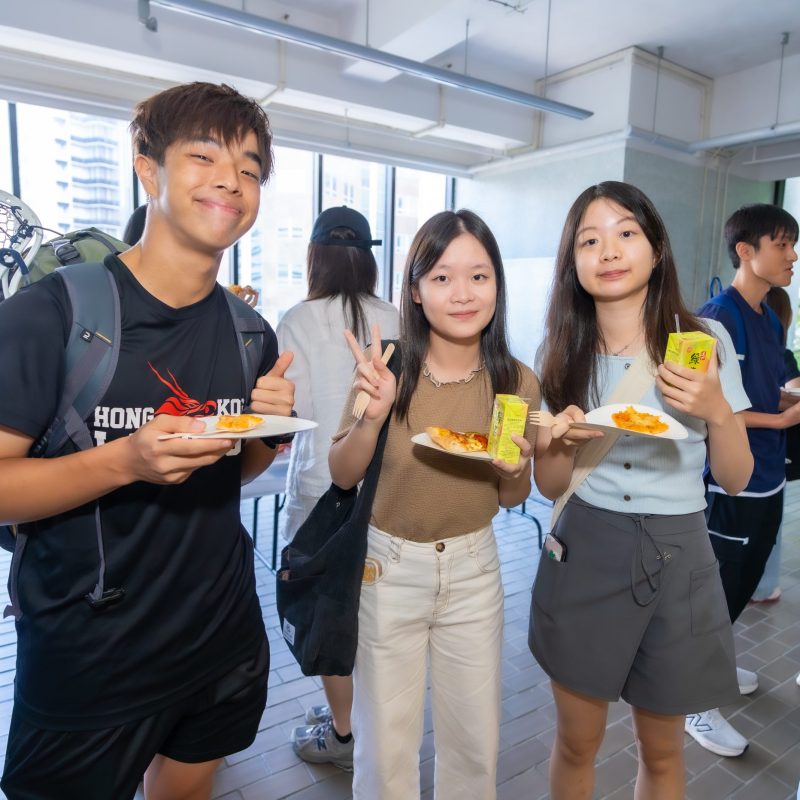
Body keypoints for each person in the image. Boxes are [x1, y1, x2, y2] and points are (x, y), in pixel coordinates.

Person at [0, 82, 295, 800]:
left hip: (220, 635)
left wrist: (269, 429)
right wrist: (123, 460)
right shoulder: (54, 313)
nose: (231, 180)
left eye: (250, 169)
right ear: (147, 169)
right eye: (204, 155)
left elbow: (239, 467)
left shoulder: (250, 332)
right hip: (90, 653)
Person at [530, 181, 753, 799]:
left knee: (661, 751)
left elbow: (735, 478)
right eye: (590, 239)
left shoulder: (701, 342)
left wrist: (715, 409)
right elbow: (551, 485)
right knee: (577, 743)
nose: (609, 250)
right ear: (573, 263)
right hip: (584, 546)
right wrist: (559, 445)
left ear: (656, 247)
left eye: (627, 232)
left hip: (677, 552)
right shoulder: (563, 350)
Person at [329, 209, 540, 800]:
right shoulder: (385, 366)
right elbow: (342, 474)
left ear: (498, 284)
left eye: (479, 275)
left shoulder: (514, 381)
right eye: (443, 277)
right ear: (416, 291)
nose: (463, 293)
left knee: (474, 746)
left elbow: (512, 496)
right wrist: (371, 419)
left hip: (474, 568)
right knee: (386, 747)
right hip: (387, 567)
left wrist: (515, 468)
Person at [276, 206, 399, 769]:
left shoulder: (298, 320)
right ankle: (373, 725)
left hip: (317, 488)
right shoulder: (395, 317)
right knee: (375, 608)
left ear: (315, 257)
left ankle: (343, 734)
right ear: (369, 259)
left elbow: (286, 414)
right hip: (384, 488)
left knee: (329, 611)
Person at [685, 204, 799, 757]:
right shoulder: (714, 318)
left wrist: (785, 403)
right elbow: (707, 408)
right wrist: (778, 418)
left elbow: (765, 388)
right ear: (745, 251)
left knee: (744, 584)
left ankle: (716, 669)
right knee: (716, 592)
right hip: (730, 483)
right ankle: (693, 704)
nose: (793, 256)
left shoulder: (772, 319)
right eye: (782, 245)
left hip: (771, 477)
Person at [751, 286, 800, 602]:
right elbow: (794, 391)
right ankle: (765, 586)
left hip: (741, 454)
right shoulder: (780, 354)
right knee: (769, 523)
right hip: (767, 454)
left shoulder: (760, 353)